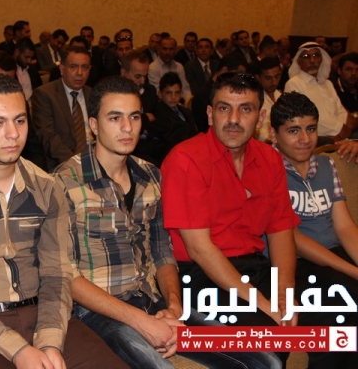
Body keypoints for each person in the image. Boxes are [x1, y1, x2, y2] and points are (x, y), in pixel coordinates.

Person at [55, 75, 280, 369]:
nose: (127, 127)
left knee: (266, 361)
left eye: (134, 117)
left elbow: (162, 252)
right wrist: (140, 321)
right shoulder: (63, 182)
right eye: (115, 118)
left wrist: (174, 305)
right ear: (94, 125)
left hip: (151, 300)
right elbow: (66, 275)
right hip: (96, 312)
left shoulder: (150, 176)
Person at [0, 74, 126, 369]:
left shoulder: (48, 187)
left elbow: (57, 273)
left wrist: (50, 341)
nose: (13, 134)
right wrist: (17, 350)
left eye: (19, 120)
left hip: (44, 316)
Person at [161, 71, 300, 364]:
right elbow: (200, 249)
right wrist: (263, 303)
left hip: (254, 266)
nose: (233, 119)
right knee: (269, 336)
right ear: (210, 114)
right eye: (224, 108)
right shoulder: (185, 159)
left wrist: (284, 294)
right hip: (200, 276)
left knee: (335, 312)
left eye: (245, 109)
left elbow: (280, 231)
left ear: (260, 118)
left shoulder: (270, 159)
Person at [269, 92, 358, 368]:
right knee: (341, 305)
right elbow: (292, 238)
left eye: (310, 129)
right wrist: (353, 271)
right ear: (274, 134)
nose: (305, 139)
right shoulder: (268, 169)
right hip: (295, 262)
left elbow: (344, 226)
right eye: (293, 130)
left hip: (333, 254)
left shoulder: (327, 165)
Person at [32, 46, 92, 170]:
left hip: (94, 159)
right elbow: (48, 138)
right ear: (62, 69)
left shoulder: (93, 94)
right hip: (62, 163)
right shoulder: (45, 94)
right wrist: (77, 165)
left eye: (85, 67)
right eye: (73, 67)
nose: (80, 73)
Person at [285, 42, 355, 143]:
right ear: (299, 62)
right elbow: (305, 116)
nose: (312, 60)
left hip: (340, 137)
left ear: (322, 59)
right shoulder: (294, 84)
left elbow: (340, 111)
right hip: (314, 140)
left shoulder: (327, 84)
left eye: (316, 55)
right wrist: (339, 128)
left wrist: (341, 132)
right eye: (306, 57)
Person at [254, 57, 282, 141]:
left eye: (277, 77)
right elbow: (257, 133)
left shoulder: (280, 95)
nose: (274, 82)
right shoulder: (254, 99)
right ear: (258, 77)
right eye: (268, 78)